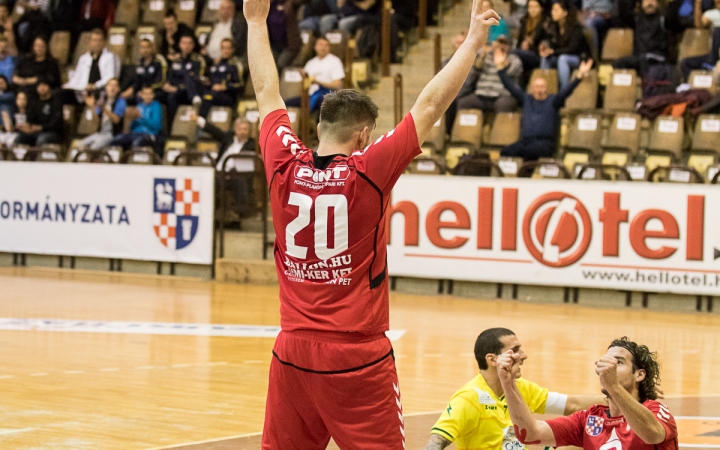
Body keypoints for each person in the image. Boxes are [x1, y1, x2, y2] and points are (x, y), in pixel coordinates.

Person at [243, 0, 500, 447]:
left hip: (292, 351)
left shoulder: (283, 162)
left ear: (319, 125)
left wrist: (255, 21)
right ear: (363, 135)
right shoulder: (367, 172)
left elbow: (267, 91)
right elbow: (430, 104)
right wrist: (475, 39)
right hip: (356, 355)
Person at [423, 328, 607, 450]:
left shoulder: (522, 388)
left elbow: (573, 404)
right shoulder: (469, 397)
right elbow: (435, 442)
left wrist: (619, 398)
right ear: (493, 359)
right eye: (515, 350)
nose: (523, 356)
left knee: (575, 439)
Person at [498, 337, 679, 450]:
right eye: (606, 360)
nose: (610, 366)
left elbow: (652, 435)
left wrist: (614, 386)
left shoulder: (656, 410)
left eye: (619, 362)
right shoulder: (589, 419)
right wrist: (508, 383)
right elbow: (530, 434)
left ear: (639, 374)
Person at [498, 51, 593, 160]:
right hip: (526, 142)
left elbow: (567, 91)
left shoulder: (553, 101)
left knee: (531, 151)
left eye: (542, 87)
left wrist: (579, 76)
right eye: (537, 87)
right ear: (532, 89)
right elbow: (510, 86)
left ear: (546, 89)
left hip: (545, 144)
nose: (539, 90)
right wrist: (501, 70)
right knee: (506, 151)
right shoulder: (526, 99)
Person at [450, 35, 522, 132]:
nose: (501, 46)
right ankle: (461, 133)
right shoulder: (487, 56)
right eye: (499, 43)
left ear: (509, 46)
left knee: (503, 105)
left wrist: (501, 60)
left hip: (502, 95)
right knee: (463, 103)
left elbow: (513, 71)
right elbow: (476, 69)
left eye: (504, 44)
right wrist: (483, 55)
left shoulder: (514, 59)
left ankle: (500, 135)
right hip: (482, 94)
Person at [539, 0, 591, 88]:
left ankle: (564, 91)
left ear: (565, 12)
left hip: (579, 57)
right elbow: (552, 45)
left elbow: (572, 49)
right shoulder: (553, 27)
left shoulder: (575, 27)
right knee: (545, 58)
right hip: (560, 54)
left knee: (563, 59)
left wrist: (553, 51)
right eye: (552, 10)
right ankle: (544, 88)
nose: (552, 13)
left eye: (556, 10)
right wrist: (546, 49)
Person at [286, 36, 345, 111]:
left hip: (326, 94)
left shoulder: (335, 61)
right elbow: (305, 83)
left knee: (322, 102)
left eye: (326, 45)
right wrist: (303, 76)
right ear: (315, 47)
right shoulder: (310, 63)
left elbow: (337, 85)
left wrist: (319, 83)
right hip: (310, 95)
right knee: (286, 103)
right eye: (321, 45)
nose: (323, 48)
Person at [62, 28, 121, 104]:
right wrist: (68, 86)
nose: (97, 43)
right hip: (83, 90)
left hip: (99, 89)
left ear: (104, 42)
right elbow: (76, 77)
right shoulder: (83, 58)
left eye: (100, 40)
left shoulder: (109, 57)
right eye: (95, 40)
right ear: (90, 42)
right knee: (60, 93)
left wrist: (94, 85)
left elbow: (110, 77)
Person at [612, 0, 669, 77]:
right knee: (619, 63)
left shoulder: (663, 20)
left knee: (643, 59)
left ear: (658, 3)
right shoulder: (637, 18)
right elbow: (623, 12)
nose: (650, 3)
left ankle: (646, 87)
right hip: (639, 56)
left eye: (653, 0)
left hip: (657, 56)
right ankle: (625, 88)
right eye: (646, 1)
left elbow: (675, 18)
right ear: (641, 4)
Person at [161, 34, 206, 123]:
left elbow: (198, 79)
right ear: (180, 45)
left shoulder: (198, 60)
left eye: (189, 44)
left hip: (191, 89)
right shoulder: (176, 61)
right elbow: (171, 77)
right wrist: (167, 85)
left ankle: (176, 123)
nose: (186, 46)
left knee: (188, 76)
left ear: (193, 46)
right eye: (184, 43)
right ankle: (170, 126)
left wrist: (178, 88)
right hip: (176, 90)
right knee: (164, 97)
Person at [108, 85, 162, 152]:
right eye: (145, 94)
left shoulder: (156, 106)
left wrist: (141, 117)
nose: (147, 96)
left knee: (137, 143)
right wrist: (132, 119)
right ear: (141, 95)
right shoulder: (139, 106)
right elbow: (132, 127)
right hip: (135, 133)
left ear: (153, 95)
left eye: (149, 94)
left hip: (148, 134)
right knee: (113, 142)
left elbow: (157, 126)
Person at [199, 38, 243, 117]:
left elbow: (240, 84)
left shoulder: (235, 65)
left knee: (208, 99)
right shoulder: (215, 64)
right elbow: (208, 79)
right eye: (223, 48)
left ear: (232, 49)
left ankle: (206, 125)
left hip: (227, 95)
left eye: (228, 48)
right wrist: (206, 82)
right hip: (212, 92)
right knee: (202, 95)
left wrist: (224, 87)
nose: (226, 51)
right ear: (220, 49)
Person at [79, 78, 126, 151]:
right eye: (110, 85)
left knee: (93, 148)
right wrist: (91, 106)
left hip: (113, 134)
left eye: (115, 86)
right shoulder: (103, 100)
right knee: (80, 145)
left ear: (118, 89)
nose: (112, 88)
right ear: (106, 87)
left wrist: (104, 108)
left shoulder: (120, 101)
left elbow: (116, 120)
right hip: (101, 133)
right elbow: (96, 122)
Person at [15, 76, 62, 146]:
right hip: (36, 131)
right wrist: (27, 125)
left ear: (49, 87)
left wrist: (39, 127)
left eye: (44, 85)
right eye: (39, 86)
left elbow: (56, 124)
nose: (41, 88)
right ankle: (21, 157)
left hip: (52, 132)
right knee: (20, 138)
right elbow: (30, 117)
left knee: (41, 139)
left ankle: (37, 156)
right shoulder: (34, 102)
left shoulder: (55, 102)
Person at [680, 0, 720, 79]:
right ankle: (692, 88)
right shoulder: (711, 14)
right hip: (714, 55)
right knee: (685, 63)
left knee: (718, 31)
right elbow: (699, 25)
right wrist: (698, 3)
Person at [120, 39, 167, 103]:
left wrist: (146, 91)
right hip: (142, 91)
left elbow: (161, 81)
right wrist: (131, 89)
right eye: (142, 47)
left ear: (151, 48)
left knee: (142, 97)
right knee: (124, 97)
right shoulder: (139, 63)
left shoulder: (158, 60)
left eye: (147, 47)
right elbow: (137, 81)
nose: (145, 50)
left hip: (156, 91)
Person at [514, 0, 551, 75]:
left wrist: (530, 46)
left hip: (537, 54)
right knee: (515, 59)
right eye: (530, 7)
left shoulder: (546, 23)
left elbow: (546, 43)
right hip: (523, 53)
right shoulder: (525, 21)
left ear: (541, 8)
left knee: (513, 53)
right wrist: (522, 46)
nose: (532, 10)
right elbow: (519, 41)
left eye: (535, 7)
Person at [205, 0, 248, 64]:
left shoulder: (238, 24)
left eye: (228, 8)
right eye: (223, 8)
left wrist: (224, 57)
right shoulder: (216, 23)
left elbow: (240, 45)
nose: (225, 11)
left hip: (231, 59)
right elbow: (207, 40)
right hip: (211, 59)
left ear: (234, 10)